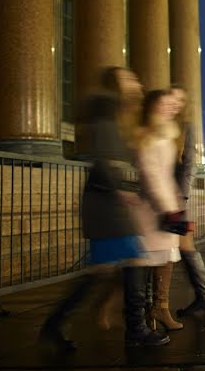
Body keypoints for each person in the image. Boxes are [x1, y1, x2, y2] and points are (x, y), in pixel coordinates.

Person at [40, 67, 169, 350]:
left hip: (108, 202)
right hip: (107, 204)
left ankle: (57, 322)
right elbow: (103, 157)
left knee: (103, 270)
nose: (136, 81)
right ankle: (135, 330)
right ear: (116, 84)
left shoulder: (117, 113)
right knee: (131, 261)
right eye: (129, 78)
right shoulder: (105, 108)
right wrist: (121, 188)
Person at [134, 89, 187, 333]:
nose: (170, 108)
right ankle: (147, 313)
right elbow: (152, 175)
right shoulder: (148, 136)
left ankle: (159, 308)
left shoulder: (167, 134)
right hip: (154, 208)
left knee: (166, 259)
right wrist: (169, 208)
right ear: (152, 107)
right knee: (148, 262)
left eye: (172, 104)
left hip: (169, 205)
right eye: (163, 104)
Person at [170, 85, 205, 318]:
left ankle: (203, 299)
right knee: (177, 248)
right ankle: (202, 299)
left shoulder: (185, 127)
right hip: (168, 196)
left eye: (180, 100)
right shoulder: (168, 127)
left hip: (177, 198)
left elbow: (188, 166)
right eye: (172, 99)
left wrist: (182, 197)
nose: (176, 104)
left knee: (184, 247)